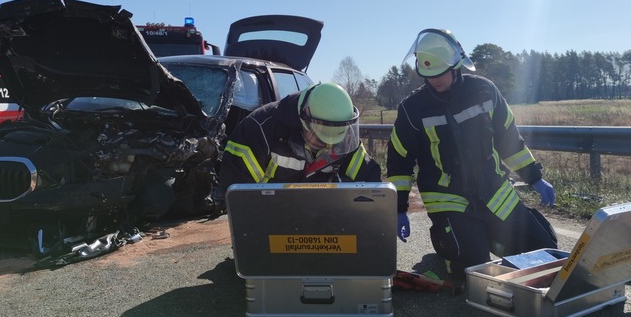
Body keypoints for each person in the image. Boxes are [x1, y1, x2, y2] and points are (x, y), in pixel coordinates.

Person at [387, 28, 558, 281]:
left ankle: (489, 236)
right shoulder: (412, 109)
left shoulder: (485, 91)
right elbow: (399, 160)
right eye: (427, 74)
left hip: (495, 191)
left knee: (547, 251)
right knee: (471, 268)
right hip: (448, 197)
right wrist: (398, 207)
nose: (434, 80)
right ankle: (449, 242)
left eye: (440, 72)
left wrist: (534, 177)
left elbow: (508, 138)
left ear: (456, 65)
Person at [219, 82, 381, 192]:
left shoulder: (342, 131)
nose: (329, 147)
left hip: (323, 221)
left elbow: (369, 179)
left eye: (335, 141)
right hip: (269, 221)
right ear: (304, 120)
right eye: (321, 139)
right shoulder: (259, 130)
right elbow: (239, 194)